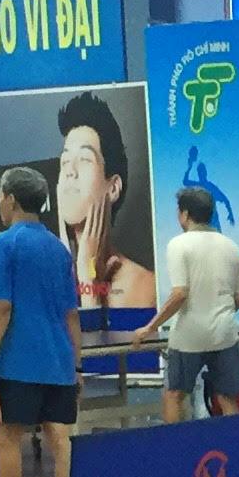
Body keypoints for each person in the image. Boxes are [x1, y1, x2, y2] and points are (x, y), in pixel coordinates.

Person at [0, 164, 82, 477]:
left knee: (8, 437)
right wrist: (77, 366)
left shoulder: (3, 244)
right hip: (59, 362)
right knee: (61, 439)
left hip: (17, 364)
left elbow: (1, 307)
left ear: (10, 199)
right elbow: (71, 314)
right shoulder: (59, 249)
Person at [148, 183, 239, 421]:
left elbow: (179, 294)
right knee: (227, 398)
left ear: (184, 214)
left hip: (188, 337)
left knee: (174, 395)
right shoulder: (231, 246)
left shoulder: (178, 245)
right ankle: (236, 442)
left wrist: (150, 327)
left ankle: (175, 443)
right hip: (223, 334)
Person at [53, 92, 154, 313]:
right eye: (65, 161)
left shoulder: (143, 286)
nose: (70, 171)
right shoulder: (48, 276)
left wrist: (87, 275)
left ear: (113, 188)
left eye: (84, 159)